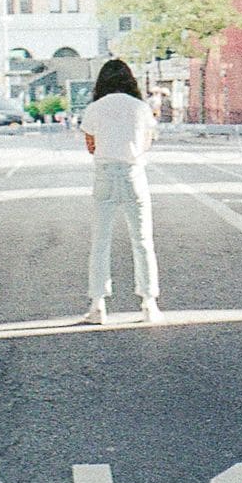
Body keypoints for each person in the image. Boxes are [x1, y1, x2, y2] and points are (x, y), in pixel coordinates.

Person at [79, 58, 162, 324]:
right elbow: (147, 144)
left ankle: (98, 305)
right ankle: (149, 304)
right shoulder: (141, 108)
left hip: (104, 175)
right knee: (143, 241)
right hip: (133, 174)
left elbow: (90, 146)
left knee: (100, 242)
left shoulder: (94, 109)